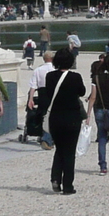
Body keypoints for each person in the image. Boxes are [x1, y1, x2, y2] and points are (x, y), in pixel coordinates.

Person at [40, 48, 87, 193]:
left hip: (56, 117)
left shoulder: (50, 76)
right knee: (69, 151)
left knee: (59, 149)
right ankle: (68, 185)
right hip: (72, 117)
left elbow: (48, 93)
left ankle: (55, 178)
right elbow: (82, 92)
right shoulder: (75, 77)